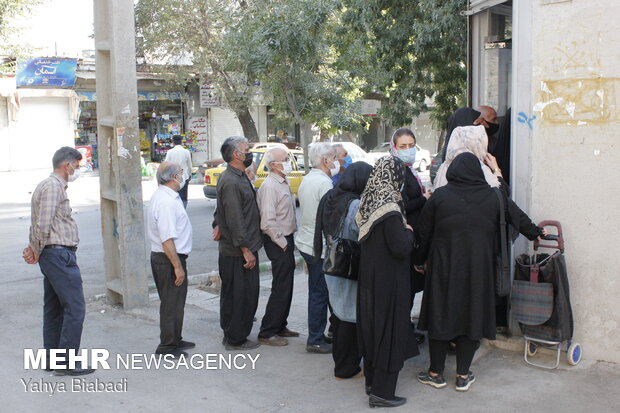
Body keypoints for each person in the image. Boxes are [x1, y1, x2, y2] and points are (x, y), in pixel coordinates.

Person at [414, 153, 544, 392]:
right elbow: (518, 217)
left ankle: (435, 373)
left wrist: (419, 260)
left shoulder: (440, 197)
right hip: (479, 269)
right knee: (471, 316)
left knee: (441, 316)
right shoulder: (494, 197)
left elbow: (423, 234)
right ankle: (463, 375)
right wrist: (537, 232)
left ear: (453, 173)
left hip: (444, 268)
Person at [22, 147, 95, 375]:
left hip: (53, 254)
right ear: (67, 165)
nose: (78, 170)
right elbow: (42, 224)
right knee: (75, 307)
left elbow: (39, 223)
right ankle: (67, 362)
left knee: (53, 308)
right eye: (78, 165)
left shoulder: (48, 185)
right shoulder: (53, 186)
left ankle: (52, 359)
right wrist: (35, 249)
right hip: (58, 255)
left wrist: (35, 248)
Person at [356, 156, 418, 408]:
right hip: (389, 281)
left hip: (370, 277)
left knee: (373, 329)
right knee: (389, 331)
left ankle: (372, 382)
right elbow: (400, 247)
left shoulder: (368, 202)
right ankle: (382, 392)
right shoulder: (391, 208)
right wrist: (410, 232)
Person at [314, 162, 373, 379]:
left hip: (332, 263)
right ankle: (346, 368)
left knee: (338, 316)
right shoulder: (355, 203)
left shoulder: (331, 196)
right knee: (350, 317)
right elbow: (359, 233)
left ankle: (341, 365)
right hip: (349, 267)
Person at [215, 136, 262, 350]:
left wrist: (216, 223)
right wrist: (246, 250)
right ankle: (235, 338)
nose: (249, 152)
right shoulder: (231, 180)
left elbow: (222, 211)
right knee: (239, 297)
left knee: (242, 295)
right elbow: (235, 219)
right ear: (236, 154)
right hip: (237, 251)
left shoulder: (240, 176)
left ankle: (234, 334)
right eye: (246, 149)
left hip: (242, 247)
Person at [148, 162, 194, 358]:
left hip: (168, 257)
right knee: (171, 304)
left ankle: (175, 338)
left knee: (175, 302)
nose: (183, 176)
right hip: (168, 259)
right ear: (174, 176)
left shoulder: (166, 196)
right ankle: (167, 347)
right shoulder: (166, 201)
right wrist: (177, 266)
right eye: (181, 173)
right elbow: (167, 239)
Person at [296, 142, 339, 354]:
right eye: (334, 157)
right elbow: (328, 219)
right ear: (325, 160)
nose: (336, 161)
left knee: (319, 291)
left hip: (308, 242)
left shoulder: (309, 179)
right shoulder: (324, 184)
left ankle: (321, 335)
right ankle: (315, 339)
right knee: (320, 293)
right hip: (317, 246)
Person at [389, 128, 431, 345]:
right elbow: (399, 204)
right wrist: (424, 198)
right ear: (394, 147)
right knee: (405, 288)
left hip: (412, 235)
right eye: (402, 146)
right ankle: (402, 332)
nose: (408, 150)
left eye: (411, 145)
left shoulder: (408, 169)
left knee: (410, 287)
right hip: (404, 236)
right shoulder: (396, 171)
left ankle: (405, 328)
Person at [256, 148, 299, 346]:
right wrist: (282, 243)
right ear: (273, 164)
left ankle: (280, 324)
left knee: (287, 286)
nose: (289, 161)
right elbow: (267, 222)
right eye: (285, 159)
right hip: (277, 241)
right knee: (281, 287)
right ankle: (268, 331)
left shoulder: (283, 181)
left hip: (286, 239)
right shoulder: (270, 186)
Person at [164, 135, 193, 209]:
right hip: (184, 176)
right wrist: (189, 175)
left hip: (172, 177)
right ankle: (182, 212)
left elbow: (166, 164)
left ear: (173, 142)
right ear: (181, 142)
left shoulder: (170, 152)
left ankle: (175, 211)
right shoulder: (186, 152)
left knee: (173, 196)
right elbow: (189, 165)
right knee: (183, 197)